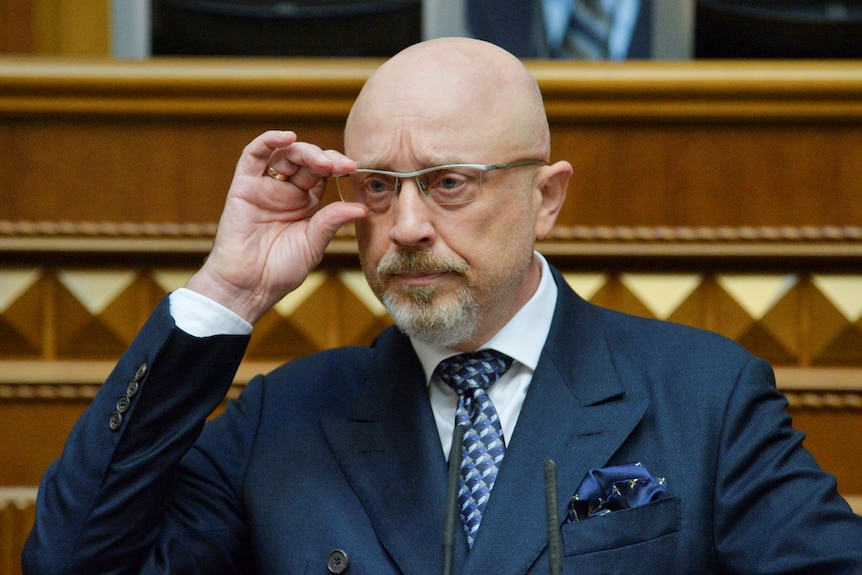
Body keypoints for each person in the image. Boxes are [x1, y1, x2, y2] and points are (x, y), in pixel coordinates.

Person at [23, 37, 862, 575]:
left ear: (546, 198)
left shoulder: (704, 397)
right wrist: (227, 291)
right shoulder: (286, 416)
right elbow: (69, 562)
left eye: (449, 183)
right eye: (379, 188)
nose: (408, 226)